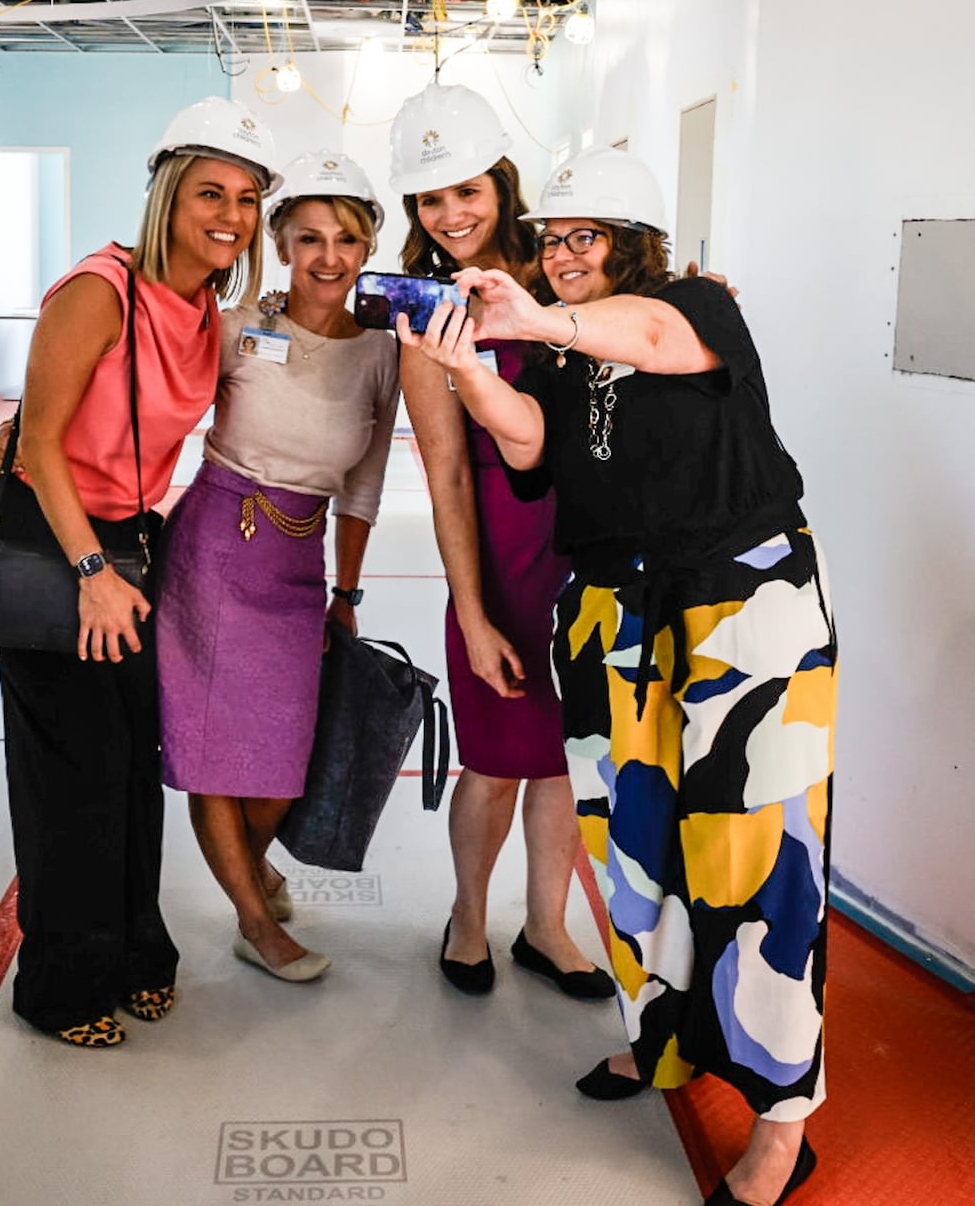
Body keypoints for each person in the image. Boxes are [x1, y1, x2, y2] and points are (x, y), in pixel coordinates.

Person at [401, 146, 835, 1206]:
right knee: (633, 844)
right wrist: (466, 367)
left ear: (635, 245)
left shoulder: (690, 304)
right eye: (550, 240)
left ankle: (782, 1121)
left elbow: (655, 342)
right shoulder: (554, 351)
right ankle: (665, 1038)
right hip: (611, 609)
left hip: (744, 602)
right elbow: (529, 447)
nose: (559, 256)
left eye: (581, 237)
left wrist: (537, 317)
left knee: (754, 848)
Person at [0, 95, 279, 1047]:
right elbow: (40, 448)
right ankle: (61, 985)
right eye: (208, 192)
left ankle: (139, 952)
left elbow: (322, 315)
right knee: (74, 776)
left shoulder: (202, 308)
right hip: (50, 539)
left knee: (134, 769)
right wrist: (94, 569)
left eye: (248, 197)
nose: (230, 213)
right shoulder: (98, 289)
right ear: (164, 196)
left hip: (127, 546)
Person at [388, 82, 612, 1000]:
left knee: (562, 758)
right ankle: (471, 920)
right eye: (430, 200)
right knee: (491, 760)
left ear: (502, 183)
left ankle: (548, 927)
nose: (450, 215)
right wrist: (472, 615)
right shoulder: (425, 311)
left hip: (584, 549)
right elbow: (444, 474)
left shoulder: (558, 274)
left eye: (465, 190)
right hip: (498, 556)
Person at [158, 150, 400, 982]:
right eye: (307, 239)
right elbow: (155, 396)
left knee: (282, 755)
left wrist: (347, 591)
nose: (327, 257)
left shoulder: (380, 351)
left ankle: (249, 870)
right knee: (216, 745)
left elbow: (364, 482)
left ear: (367, 248)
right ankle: (255, 920)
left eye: (344, 239)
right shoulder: (237, 327)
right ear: (283, 244)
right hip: (217, 545)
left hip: (301, 557)